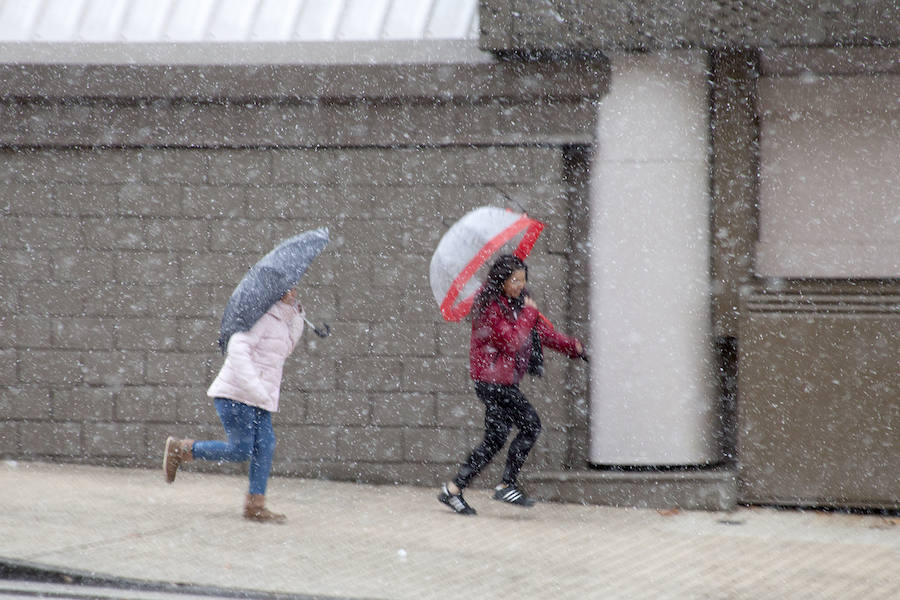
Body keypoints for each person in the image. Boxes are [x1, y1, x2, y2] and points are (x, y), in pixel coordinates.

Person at [438, 254, 584, 515]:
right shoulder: (489, 308)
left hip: (501, 381)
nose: (520, 285)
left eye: (523, 280)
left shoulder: (517, 305)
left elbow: (542, 333)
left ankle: (453, 489)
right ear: (500, 280)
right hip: (492, 382)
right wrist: (529, 312)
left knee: (495, 439)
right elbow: (513, 342)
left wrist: (572, 347)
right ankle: (506, 484)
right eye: (514, 280)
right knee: (531, 425)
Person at [163, 286, 305, 524]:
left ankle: (255, 506)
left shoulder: (281, 321)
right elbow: (237, 348)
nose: (294, 291)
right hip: (236, 396)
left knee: (265, 446)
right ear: (277, 291)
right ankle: (181, 449)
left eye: (295, 288)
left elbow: (284, 349)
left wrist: (297, 316)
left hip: (258, 400)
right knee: (241, 449)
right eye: (289, 289)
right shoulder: (261, 317)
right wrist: (256, 388)